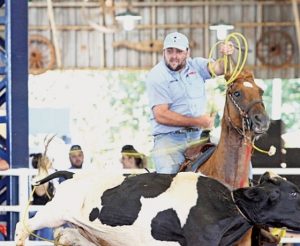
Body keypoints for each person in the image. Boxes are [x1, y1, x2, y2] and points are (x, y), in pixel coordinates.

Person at [146, 31, 234, 174]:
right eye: (170, 51)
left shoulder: (196, 66)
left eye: (179, 51)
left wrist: (227, 55)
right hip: (168, 139)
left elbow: (221, 68)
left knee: (231, 160)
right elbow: (161, 115)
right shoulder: (157, 75)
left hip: (197, 137)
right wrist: (198, 122)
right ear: (163, 52)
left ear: (187, 52)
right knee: (168, 174)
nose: (174, 56)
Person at [29, 153, 55, 241]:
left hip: (46, 212)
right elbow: (41, 193)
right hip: (39, 212)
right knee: (47, 221)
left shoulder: (49, 177)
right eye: (47, 160)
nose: (51, 162)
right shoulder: (37, 178)